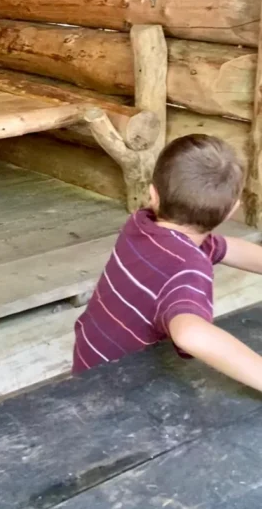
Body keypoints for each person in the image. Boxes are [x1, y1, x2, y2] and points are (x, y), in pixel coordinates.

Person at [73, 133, 262, 393]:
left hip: (89, 361)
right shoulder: (187, 268)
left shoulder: (143, 224)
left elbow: (226, 248)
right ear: (231, 211)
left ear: (153, 195)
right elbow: (190, 334)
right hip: (118, 388)